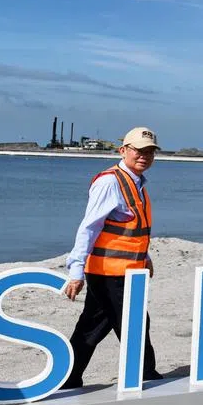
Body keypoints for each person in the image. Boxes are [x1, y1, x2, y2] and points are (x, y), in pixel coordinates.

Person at [61, 126, 164, 389]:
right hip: (110, 273)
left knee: (93, 326)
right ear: (123, 150)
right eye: (139, 150)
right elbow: (89, 227)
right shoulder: (110, 182)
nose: (144, 156)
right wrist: (75, 270)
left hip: (126, 271)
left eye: (150, 151)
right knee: (134, 324)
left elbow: (129, 229)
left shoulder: (136, 183)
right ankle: (146, 375)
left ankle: (67, 378)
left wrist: (145, 256)